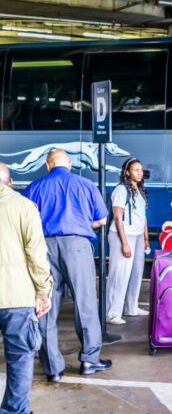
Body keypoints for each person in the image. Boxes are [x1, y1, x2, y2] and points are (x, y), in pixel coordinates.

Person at [23, 148, 112, 381]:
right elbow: (102, 219)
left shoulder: (34, 188)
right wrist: (80, 224)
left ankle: (52, 368)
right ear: (70, 164)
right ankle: (90, 361)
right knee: (85, 303)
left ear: (47, 164)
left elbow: (26, 224)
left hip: (44, 249)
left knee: (45, 303)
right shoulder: (86, 185)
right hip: (77, 246)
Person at [0, 162, 53, 413]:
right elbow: (36, 255)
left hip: (16, 297)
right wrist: (44, 292)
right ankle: (14, 410)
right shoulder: (23, 206)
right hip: (17, 297)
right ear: (10, 183)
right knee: (20, 357)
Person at [106, 158, 150, 325]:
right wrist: (124, 243)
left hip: (137, 235)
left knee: (136, 272)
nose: (139, 172)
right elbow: (118, 218)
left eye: (140, 169)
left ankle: (131, 307)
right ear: (127, 172)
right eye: (135, 170)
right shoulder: (121, 190)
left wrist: (145, 239)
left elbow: (143, 217)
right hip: (123, 235)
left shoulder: (139, 190)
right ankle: (112, 313)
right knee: (119, 274)